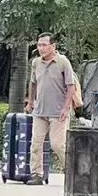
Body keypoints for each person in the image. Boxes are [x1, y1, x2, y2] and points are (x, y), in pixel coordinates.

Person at [25, 33, 81, 186]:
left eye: (44, 45)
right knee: (36, 143)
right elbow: (33, 83)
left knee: (58, 144)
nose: (41, 48)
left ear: (53, 46)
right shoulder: (36, 63)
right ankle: (36, 174)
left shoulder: (63, 62)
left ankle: (71, 172)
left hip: (58, 111)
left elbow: (71, 86)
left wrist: (66, 108)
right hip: (40, 110)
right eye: (39, 45)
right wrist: (30, 102)